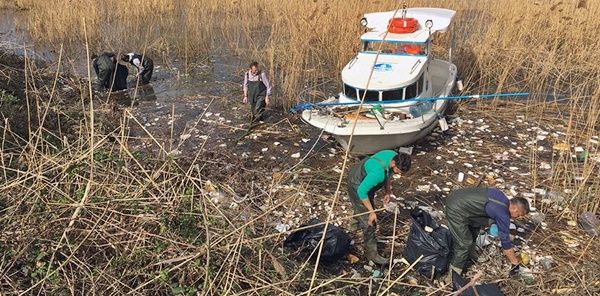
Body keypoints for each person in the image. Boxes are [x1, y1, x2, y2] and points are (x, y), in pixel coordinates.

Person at [444, 187, 530, 276]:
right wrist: (514, 262)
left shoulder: (500, 195)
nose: (517, 217)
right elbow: (505, 242)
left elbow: (484, 208)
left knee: (476, 227)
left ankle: (471, 255)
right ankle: (453, 275)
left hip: (458, 196)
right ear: (515, 208)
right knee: (464, 243)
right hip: (456, 208)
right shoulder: (503, 214)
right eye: (519, 214)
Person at [347, 150, 411, 265]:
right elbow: (361, 191)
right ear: (393, 163)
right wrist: (371, 212)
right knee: (369, 221)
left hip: (364, 176)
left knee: (361, 207)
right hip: (357, 184)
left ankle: (353, 226)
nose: (400, 174)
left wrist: (388, 191)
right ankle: (372, 255)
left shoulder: (392, 155)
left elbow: (387, 174)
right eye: (399, 171)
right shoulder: (378, 174)